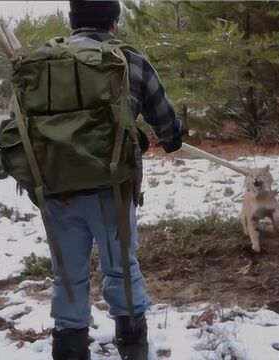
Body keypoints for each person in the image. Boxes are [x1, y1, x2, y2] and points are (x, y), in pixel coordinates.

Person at [48, 1, 184, 360]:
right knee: (122, 268)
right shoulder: (130, 60)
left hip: (57, 189)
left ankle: (69, 347)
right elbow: (165, 120)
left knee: (67, 274)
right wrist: (171, 138)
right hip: (113, 188)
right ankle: (133, 346)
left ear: (72, 21)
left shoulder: (45, 63)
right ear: (114, 22)